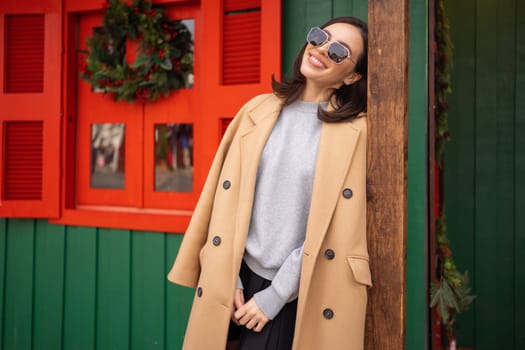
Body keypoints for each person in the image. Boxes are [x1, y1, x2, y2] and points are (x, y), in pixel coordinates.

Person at [167, 16, 372, 350]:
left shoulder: (357, 132)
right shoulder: (257, 110)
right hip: (235, 273)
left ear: (351, 76)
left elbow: (333, 228)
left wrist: (276, 295)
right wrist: (227, 274)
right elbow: (225, 199)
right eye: (320, 36)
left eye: (338, 52)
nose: (320, 49)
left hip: (299, 288)